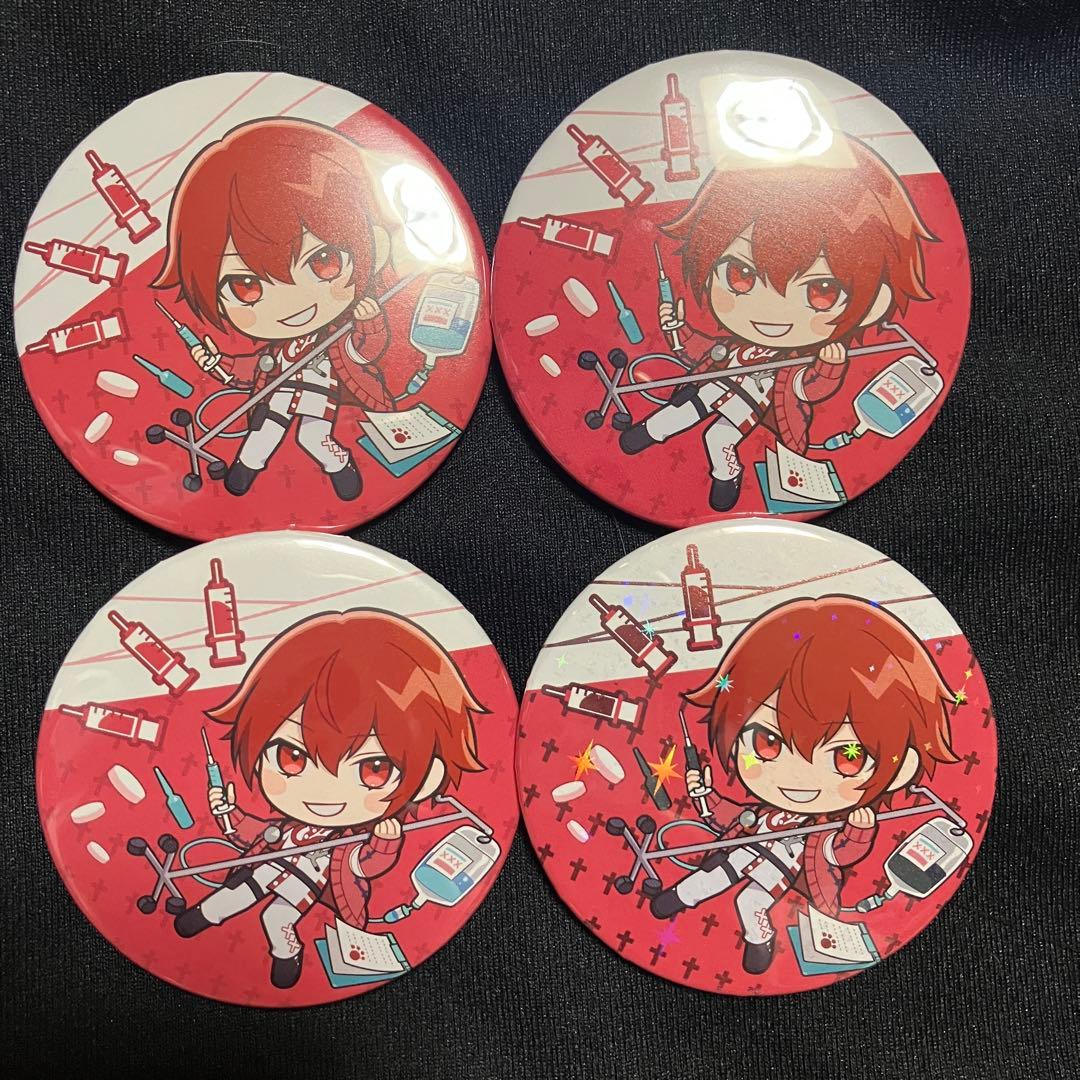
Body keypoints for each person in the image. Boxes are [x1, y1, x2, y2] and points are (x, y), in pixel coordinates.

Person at [173, 608, 486, 990]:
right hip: (267, 866)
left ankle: (286, 952)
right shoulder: (290, 827)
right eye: (292, 756)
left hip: (306, 882)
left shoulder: (349, 843)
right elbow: (256, 832)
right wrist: (227, 812)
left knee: (276, 918)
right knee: (232, 894)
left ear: (426, 780)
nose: (327, 791)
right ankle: (207, 914)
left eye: (373, 769)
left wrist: (385, 842)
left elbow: (365, 866)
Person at [620, 134, 934, 511]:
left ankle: (726, 474)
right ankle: (649, 432)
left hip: (750, 401)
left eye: (820, 290)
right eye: (740, 274)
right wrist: (677, 328)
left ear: (873, 305)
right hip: (714, 383)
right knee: (676, 413)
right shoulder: (737, 346)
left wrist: (829, 366)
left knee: (719, 438)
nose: (771, 308)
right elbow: (703, 349)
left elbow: (809, 390)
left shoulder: (795, 364)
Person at [649, 595, 958, 975]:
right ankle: (677, 898)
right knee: (707, 878)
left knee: (750, 902)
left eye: (847, 757)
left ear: (901, 768)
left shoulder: (821, 830)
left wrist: (859, 832)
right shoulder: (766, 811)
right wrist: (705, 795)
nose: (799, 776)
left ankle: (760, 939)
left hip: (779, 868)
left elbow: (839, 854)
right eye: (768, 742)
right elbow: (731, 815)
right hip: (743, 850)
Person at [153, 118, 397, 499]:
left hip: (320, 395)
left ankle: (341, 466)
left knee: (313, 438)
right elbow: (249, 368)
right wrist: (216, 362)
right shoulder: (278, 350)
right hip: (278, 393)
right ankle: (244, 472)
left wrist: (371, 322)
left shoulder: (336, 337)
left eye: (324, 261)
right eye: (247, 286)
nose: (291, 299)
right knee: (262, 434)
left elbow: (363, 352)